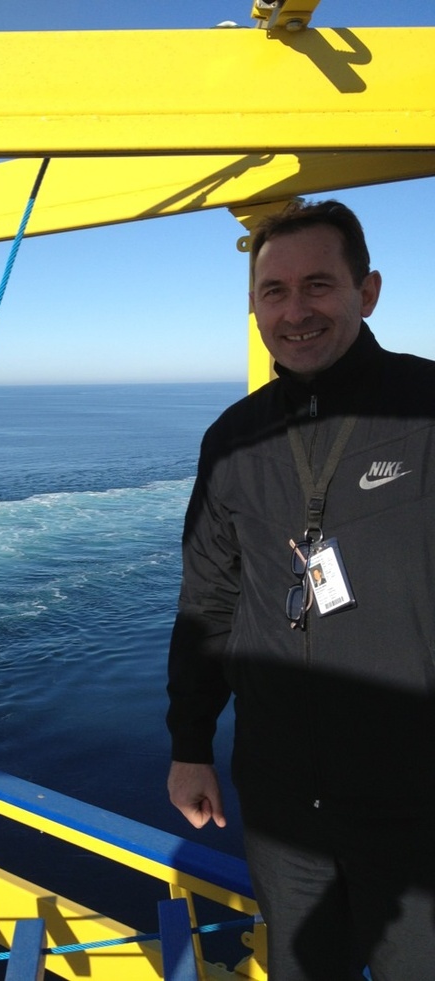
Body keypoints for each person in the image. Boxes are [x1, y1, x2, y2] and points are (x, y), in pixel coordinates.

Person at [166, 199, 435, 980]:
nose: (295, 311)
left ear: (368, 290)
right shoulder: (234, 438)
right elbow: (208, 601)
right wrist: (190, 743)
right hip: (284, 802)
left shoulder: (425, 410)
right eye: (273, 292)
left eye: (318, 285)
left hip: (415, 799)